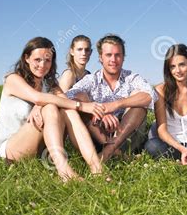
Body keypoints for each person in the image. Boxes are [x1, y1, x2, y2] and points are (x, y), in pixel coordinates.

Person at [0, 37, 105, 182]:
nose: (42, 65)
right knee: (51, 107)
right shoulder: (13, 79)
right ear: (26, 58)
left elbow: (65, 101)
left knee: (67, 109)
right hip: (9, 151)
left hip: (40, 150)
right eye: (37, 60)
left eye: (47, 60)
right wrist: (81, 105)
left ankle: (97, 168)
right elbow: (38, 97)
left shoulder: (49, 83)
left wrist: (42, 104)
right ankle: (63, 170)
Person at [66, 34, 156, 162]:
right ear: (100, 58)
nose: (113, 59)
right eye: (108, 55)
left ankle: (108, 151)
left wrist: (116, 104)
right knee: (80, 97)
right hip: (97, 136)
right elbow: (68, 97)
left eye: (117, 55)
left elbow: (150, 95)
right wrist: (98, 111)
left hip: (127, 137)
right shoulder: (91, 80)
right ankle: (116, 153)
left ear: (123, 57)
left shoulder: (131, 77)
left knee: (138, 102)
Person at [145, 44, 187, 165]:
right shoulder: (160, 91)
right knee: (152, 146)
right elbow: (162, 131)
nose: (178, 70)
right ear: (168, 69)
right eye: (173, 66)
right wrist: (182, 149)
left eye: (182, 64)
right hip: (172, 145)